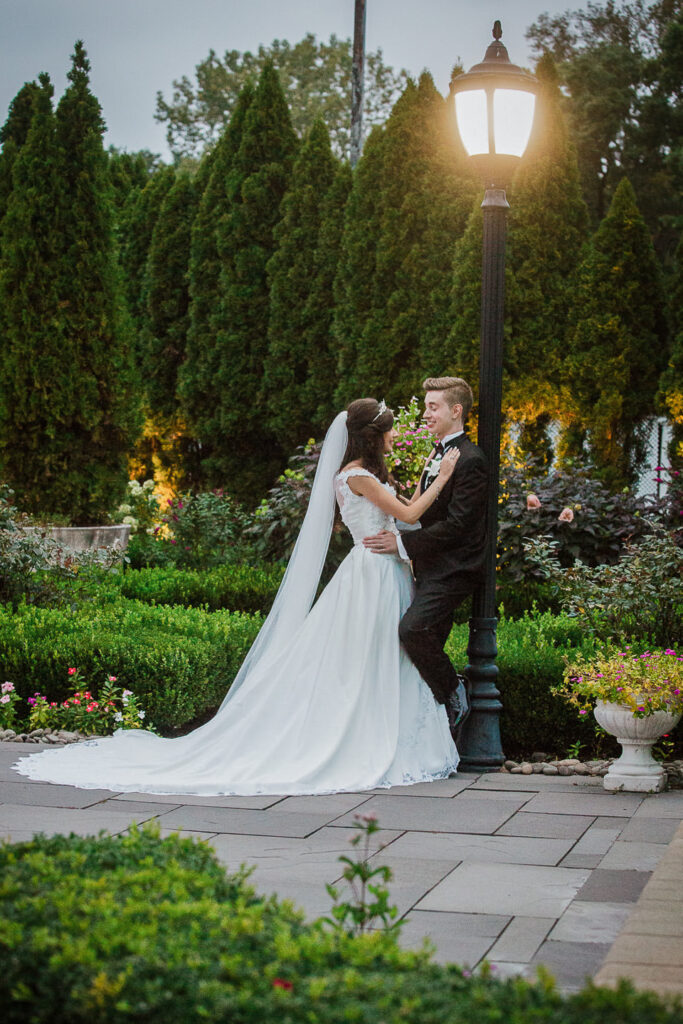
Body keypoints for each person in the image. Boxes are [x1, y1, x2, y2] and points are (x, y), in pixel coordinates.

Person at [13, 398, 460, 796]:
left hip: (381, 568)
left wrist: (427, 481)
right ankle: (368, 738)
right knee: (371, 656)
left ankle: (390, 733)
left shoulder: (359, 474)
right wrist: (442, 479)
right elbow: (408, 513)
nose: (396, 433)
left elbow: (404, 513)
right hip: (374, 574)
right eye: (390, 428)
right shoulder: (358, 475)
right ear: (374, 435)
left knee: (381, 656)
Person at [363, 377, 488, 742]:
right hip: (430, 566)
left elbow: (459, 525)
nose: (425, 413)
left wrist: (402, 544)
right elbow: (420, 509)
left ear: (456, 410)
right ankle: (429, 733)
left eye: (433, 407)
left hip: (455, 569)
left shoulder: (472, 460)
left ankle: (455, 693)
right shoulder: (438, 454)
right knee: (422, 643)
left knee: (412, 630)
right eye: (426, 406)